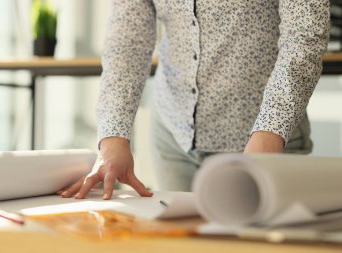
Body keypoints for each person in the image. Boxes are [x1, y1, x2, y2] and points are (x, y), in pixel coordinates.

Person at [58, 0, 330, 199]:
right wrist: (113, 135)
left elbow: (305, 33)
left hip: (266, 143)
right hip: (173, 138)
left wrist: (270, 132)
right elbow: (127, 40)